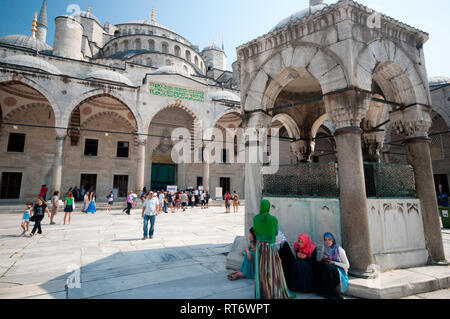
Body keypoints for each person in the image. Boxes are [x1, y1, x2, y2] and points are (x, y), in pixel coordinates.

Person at [253, 200, 293, 299]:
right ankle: (272, 292)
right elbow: (275, 233)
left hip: (260, 248)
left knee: (261, 270)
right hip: (270, 248)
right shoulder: (273, 219)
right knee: (272, 270)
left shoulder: (256, 219)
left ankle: (262, 292)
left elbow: (255, 232)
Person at [315, 232, 350, 299]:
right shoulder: (324, 247)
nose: (327, 241)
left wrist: (334, 263)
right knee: (319, 264)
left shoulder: (339, 249)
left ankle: (331, 292)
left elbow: (347, 265)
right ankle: (321, 290)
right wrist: (324, 259)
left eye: (329, 239)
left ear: (333, 240)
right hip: (329, 267)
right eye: (325, 240)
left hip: (340, 270)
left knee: (328, 267)